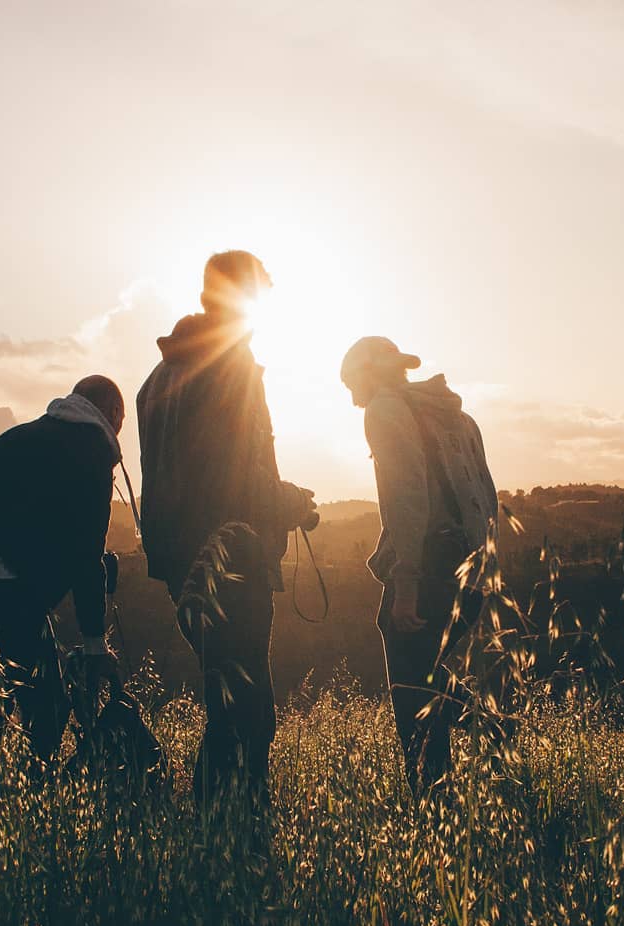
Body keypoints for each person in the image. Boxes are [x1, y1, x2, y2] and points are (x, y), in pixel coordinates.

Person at [137, 250, 318, 804]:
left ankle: (216, 837)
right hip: (232, 556)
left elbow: (188, 475)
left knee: (226, 699)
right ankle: (239, 837)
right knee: (250, 711)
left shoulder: (160, 376)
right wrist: (293, 503)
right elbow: (233, 478)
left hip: (184, 564)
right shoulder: (229, 368)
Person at [0, 375, 124, 770]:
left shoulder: (36, 432)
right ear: (114, 415)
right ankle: (34, 792)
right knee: (47, 707)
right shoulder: (92, 452)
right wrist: (94, 644)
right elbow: (86, 555)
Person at [340, 337, 498, 795]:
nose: (351, 397)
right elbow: (487, 495)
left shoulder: (386, 411)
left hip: (428, 565)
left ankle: (433, 799)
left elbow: (407, 500)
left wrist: (405, 582)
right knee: (423, 671)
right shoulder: (458, 417)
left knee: (411, 689)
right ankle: (487, 726)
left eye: (350, 382)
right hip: (470, 566)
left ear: (371, 372)